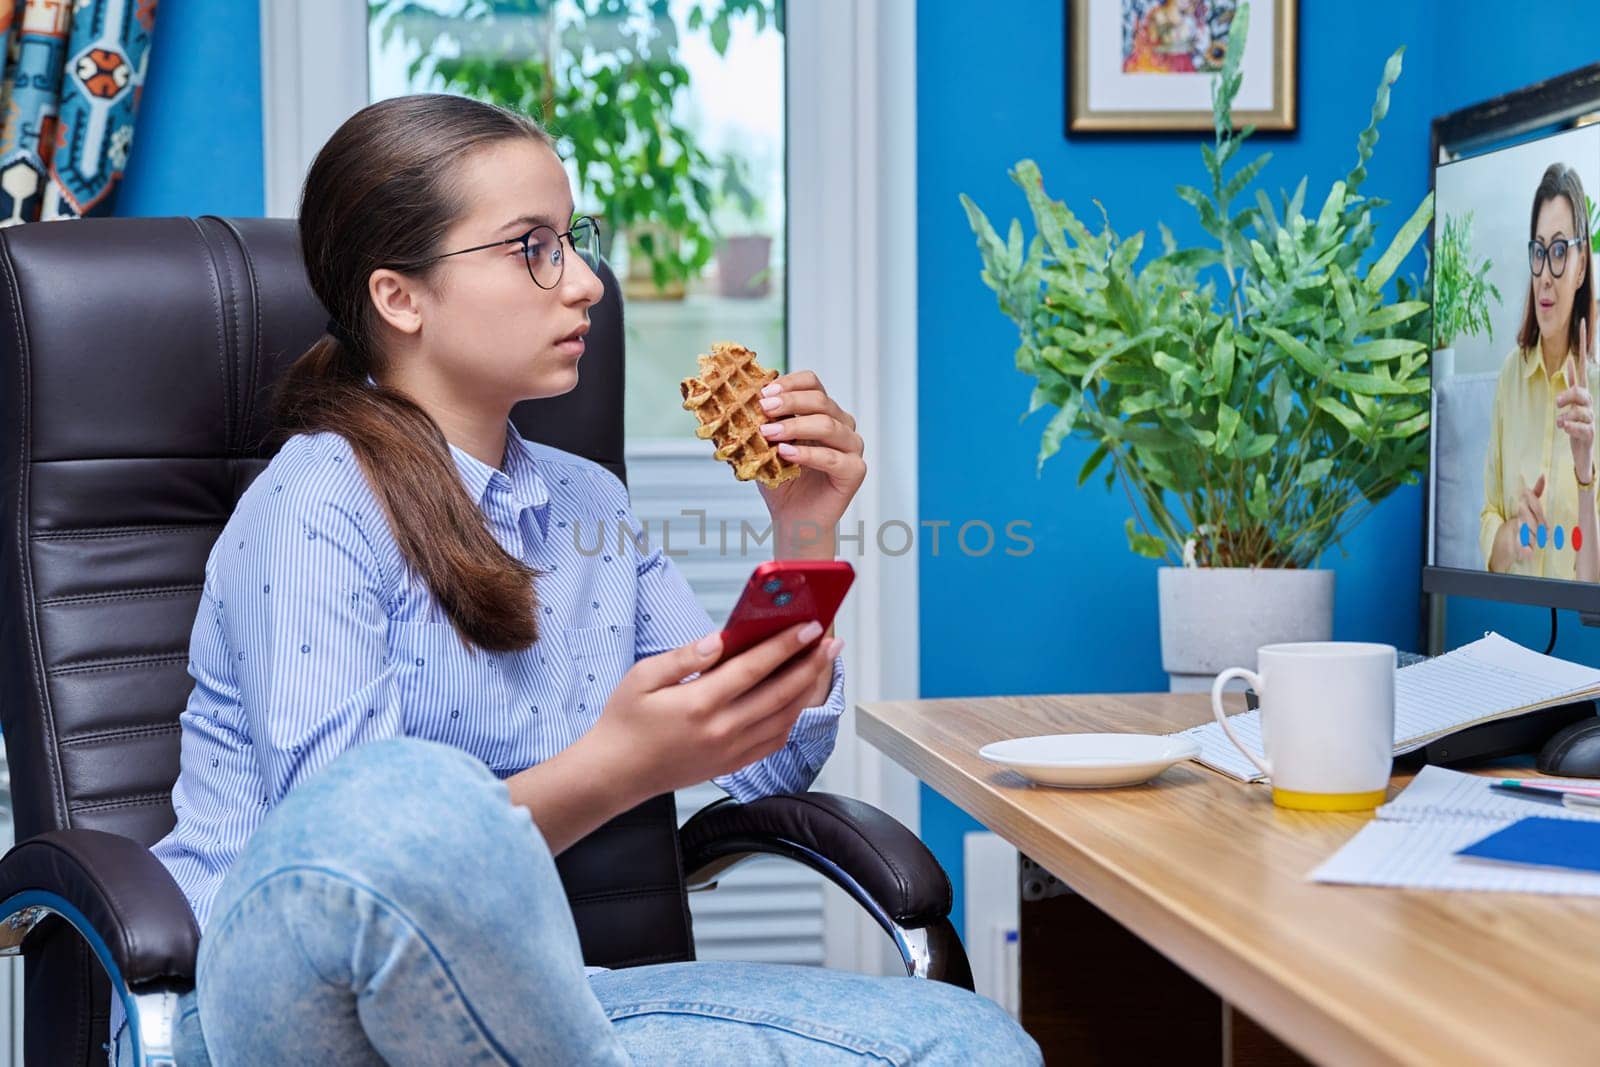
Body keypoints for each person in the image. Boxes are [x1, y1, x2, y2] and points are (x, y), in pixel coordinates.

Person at [108, 93, 1040, 1065]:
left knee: (967, 1042)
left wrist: (804, 525)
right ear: (400, 296)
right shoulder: (315, 503)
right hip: (268, 1006)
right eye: (531, 246)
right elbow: (353, 864)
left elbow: (764, 764)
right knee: (389, 799)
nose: (588, 281)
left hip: (521, 1004)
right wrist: (617, 767)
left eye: (574, 240)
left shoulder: (588, 503)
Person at [1481, 161, 1600, 580]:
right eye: (1538, 251)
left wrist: (1585, 474)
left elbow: (1593, 589)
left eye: (1560, 251)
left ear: (1581, 265)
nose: (1545, 276)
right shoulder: (1509, 378)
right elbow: (1489, 525)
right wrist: (1514, 534)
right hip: (1513, 623)